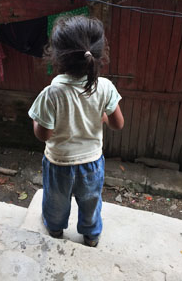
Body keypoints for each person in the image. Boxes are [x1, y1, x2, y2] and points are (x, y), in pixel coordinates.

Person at [28, 15, 124, 247]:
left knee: (56, 200)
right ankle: (91, 236)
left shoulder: (52, 93)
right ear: (99, 55)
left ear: (57, 56)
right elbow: (117, 124)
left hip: (59, 164)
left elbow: (44, 135)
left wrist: (36, 121)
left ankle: (55, 230)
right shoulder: (105, 87)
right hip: (92, 162)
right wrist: (100, 115)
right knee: (91, 200)